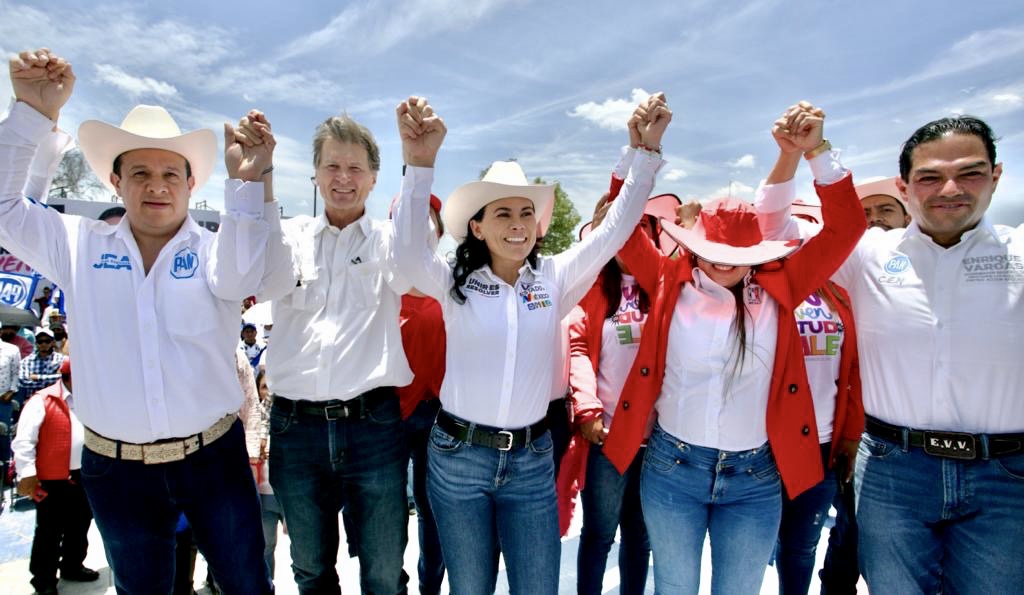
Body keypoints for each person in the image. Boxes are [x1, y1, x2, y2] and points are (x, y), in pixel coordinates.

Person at [0, 47, 291, 593]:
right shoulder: (77, 244)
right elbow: (5, 210)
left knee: (246, 584)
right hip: (117, 468)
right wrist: (31, 115)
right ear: (116, 181)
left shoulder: (216, 249)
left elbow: (252, 277)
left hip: (213, 458)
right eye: (140, 173)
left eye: (169, 173)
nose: (156, 185)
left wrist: (248, 183)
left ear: (191, 184)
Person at [391, 92, 670, 594]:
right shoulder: (453, 281)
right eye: (502, 214)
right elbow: (408, 251)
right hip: (458, 459)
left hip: (530, 461)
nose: (518, 224)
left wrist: (643, 155)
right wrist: (419, 165)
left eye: (525, 213)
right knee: (470, 589)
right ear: (477, 227)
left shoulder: (555, 278)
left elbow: (613, 231)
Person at [598, 100, 864, 595]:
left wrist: (818, 154)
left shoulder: (784, 285)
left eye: (737, 254)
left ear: (759, 253)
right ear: (695, 244)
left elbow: (847, 227)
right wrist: (641, 153)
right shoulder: (666, 278)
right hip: (673, 469)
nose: (723, 263)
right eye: (712, 251)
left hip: (755, 476)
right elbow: (619, 226)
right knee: (674, 588)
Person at [758, 111, 1023, 593]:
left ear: (996, 176)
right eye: (930, 177)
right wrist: (807, 154)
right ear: (905, 186)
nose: (950, 190)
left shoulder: (1019, 252)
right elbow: (775, 233)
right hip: (893, 471)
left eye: (970, 173)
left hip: (1004, 475)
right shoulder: (869, 254)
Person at [252, 108, 413, 594]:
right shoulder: (289, 237)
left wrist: (418, 162)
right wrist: (262, 169)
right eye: (332, 166)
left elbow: (415, 267)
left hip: (373, 427)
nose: (343, 178)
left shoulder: (392, 243)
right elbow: (260, 263)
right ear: (316, 174)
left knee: (384, 572)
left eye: (355, 168)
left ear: (374, 177)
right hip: (295, 429)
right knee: (311, 569)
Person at [753, 103, 865, 595]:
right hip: (762, 439)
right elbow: (769, 214)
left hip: (821, 442)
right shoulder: (768, 285)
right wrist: (791, 156)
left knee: (801, 547)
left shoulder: (843, 294)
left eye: (810, 229)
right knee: (757, 542)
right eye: (792, 229)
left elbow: (852, 374)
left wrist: (850, 436)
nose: (801, 238)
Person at [562, 190, 681, 595]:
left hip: (657, 439)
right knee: (599, 533)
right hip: (606, 436)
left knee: (639, 535)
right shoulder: (592, 287)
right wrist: (588, 409)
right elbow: (577, 347)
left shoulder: (667, 287)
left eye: (638, 228)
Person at [392, 193, 448, 595]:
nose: (420, 224)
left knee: (434, 511)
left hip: (440, 417)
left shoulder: (453, 283)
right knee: (387, 513)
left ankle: (431, 586)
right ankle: (391, 583)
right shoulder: (382, 286)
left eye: (429, 216)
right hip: (388, 418)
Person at [12, 358, 99, 595]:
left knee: (80, 524)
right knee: (49, 530)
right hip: (52, 478)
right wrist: (27, 474)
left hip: (84, 475)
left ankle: (72, 565)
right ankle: (43, 578)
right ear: (71, 377)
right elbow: (24, 441)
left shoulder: (91, 400)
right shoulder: (42, 401)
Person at [19, 328, 66, 396]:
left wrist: (37, 377)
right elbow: (23, 382)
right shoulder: (26, 361)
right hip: (32, 398)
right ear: (36, 343)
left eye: (47, 341)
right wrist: (51, 383)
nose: (43, 344)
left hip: (54, 398)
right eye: (40, 341)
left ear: (53, 342)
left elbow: (64, 378)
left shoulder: (61, 359)